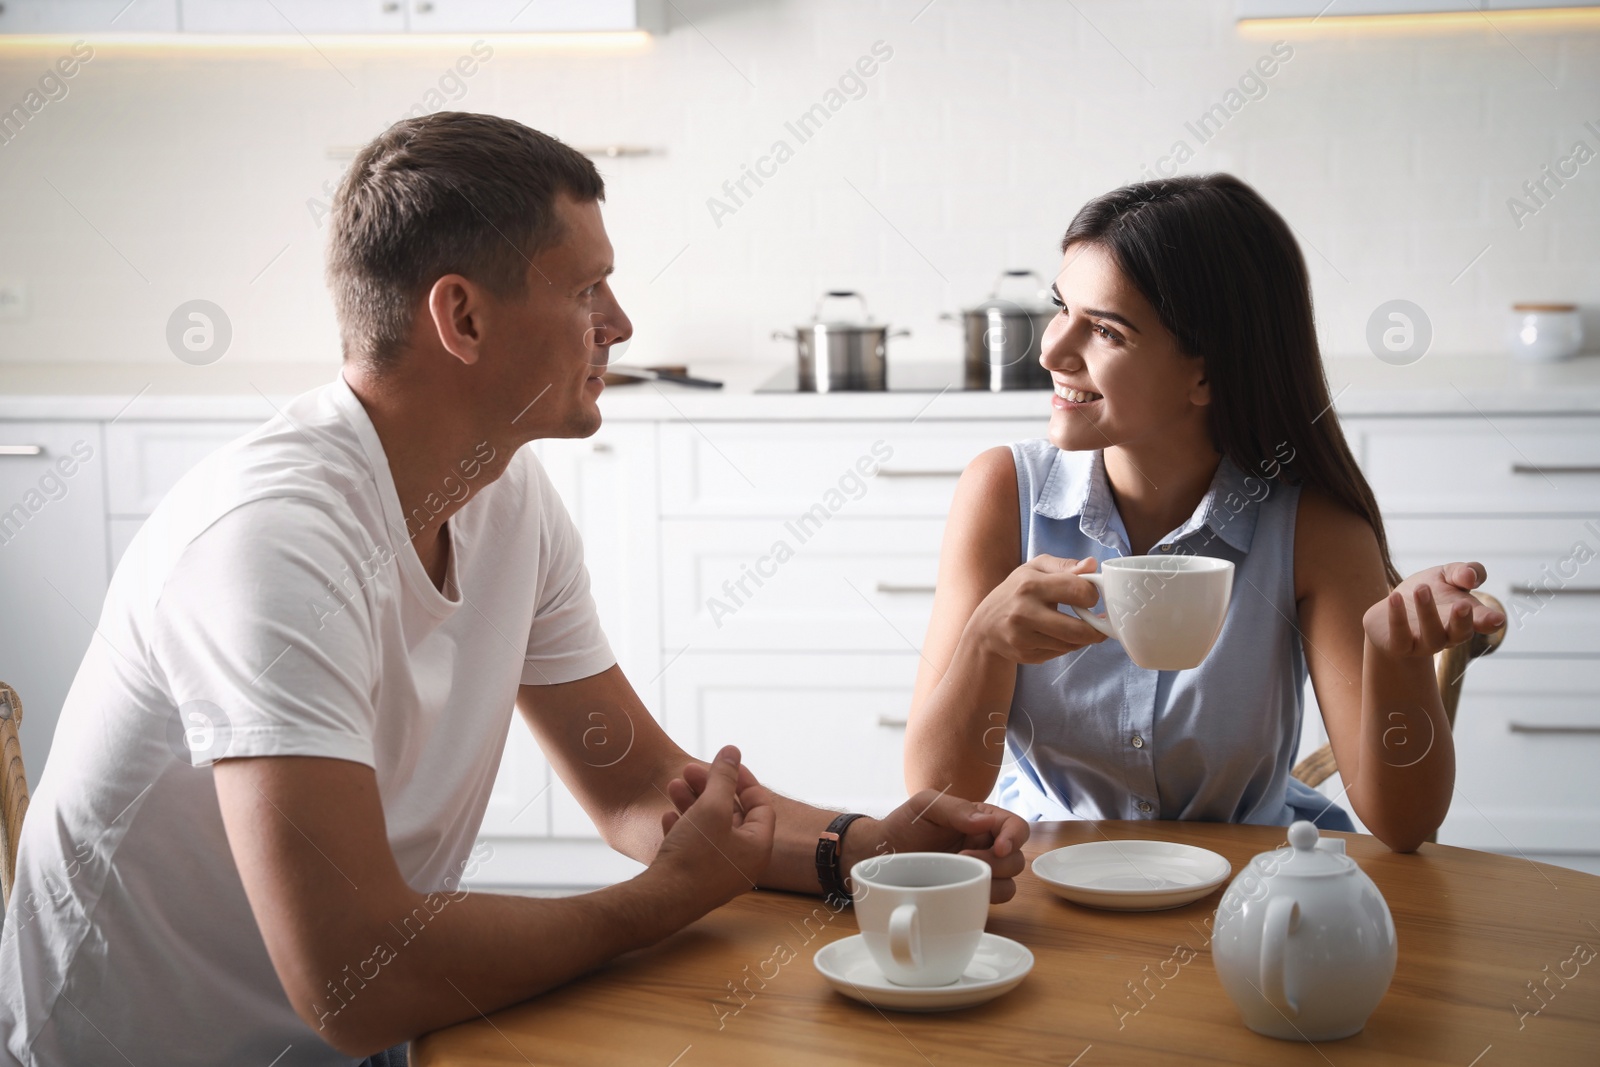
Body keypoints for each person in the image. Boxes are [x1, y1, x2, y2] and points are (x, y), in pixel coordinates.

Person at [0, 113, 1029, 1067]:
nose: (618, 323)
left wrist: (863, 847)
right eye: (587, 290)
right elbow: (354, 977)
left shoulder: (503, 493)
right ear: (462, 316)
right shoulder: (270, 541)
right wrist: (652, 905)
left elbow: (633, 786)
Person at [904, 174, 1505, 854]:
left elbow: (1406, 826)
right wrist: (984, 641)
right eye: (1060, 308)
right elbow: (935, 799)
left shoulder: (1314, 529)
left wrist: (1396, 659)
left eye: (1104, 329)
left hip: (1244, 889)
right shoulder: (1001, 492)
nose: (1050, 350)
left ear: (1207, 375)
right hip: (1047, 873)